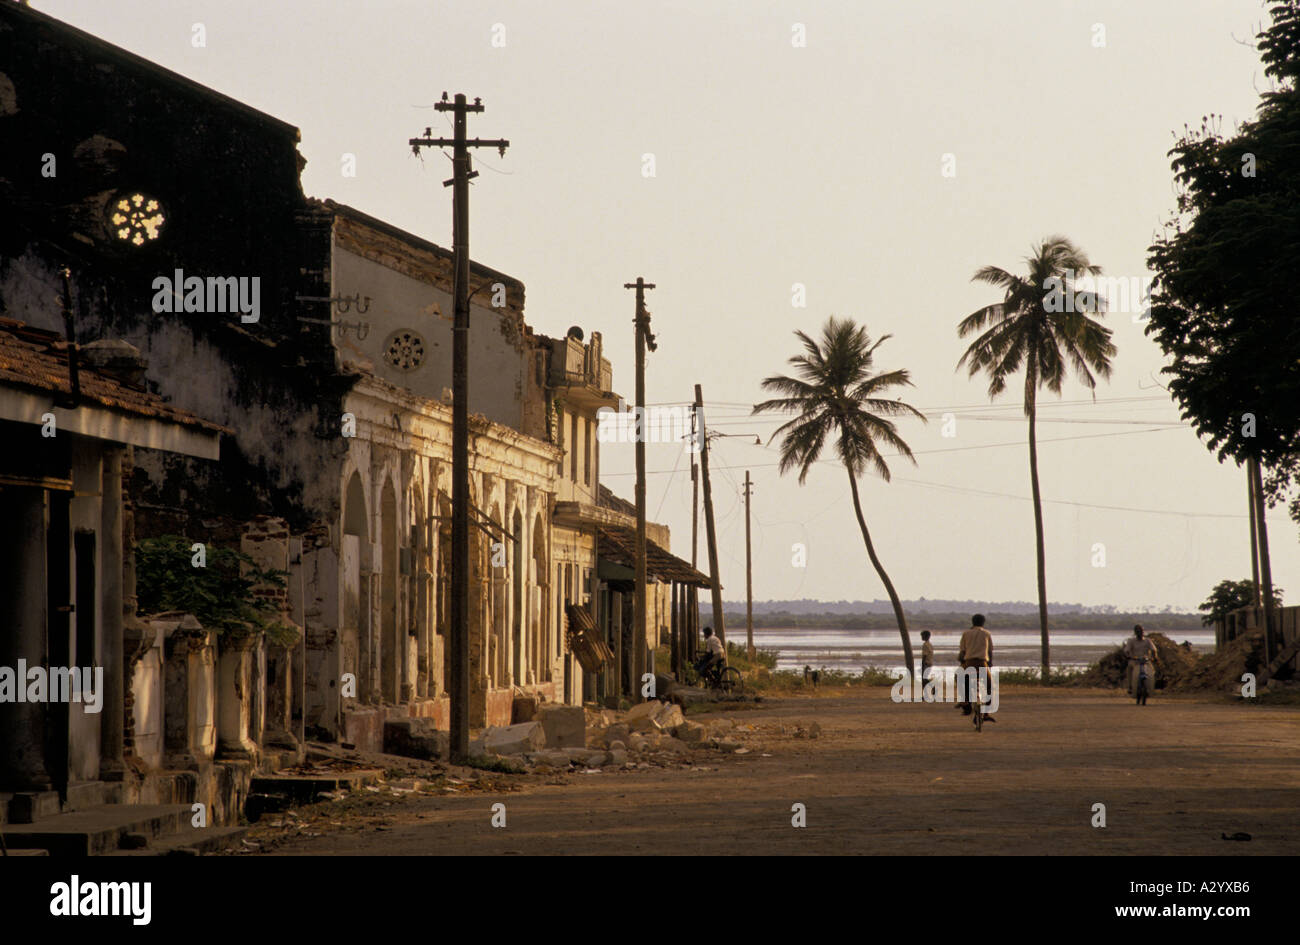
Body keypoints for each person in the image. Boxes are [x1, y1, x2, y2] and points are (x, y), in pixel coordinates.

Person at [957, 614, 993, 717]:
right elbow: (990, 652)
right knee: (989, 686)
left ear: (972, 622)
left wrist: (961, 662)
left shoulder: (966, 634)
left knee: (959, 678)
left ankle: (965, 704)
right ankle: (986, 712)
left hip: (969, 663)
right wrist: (990, 664)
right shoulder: (987, 634)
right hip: (982, 663)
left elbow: (962, 651)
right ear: (983, 623)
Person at [1122, 624, 1159, 703]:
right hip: (1134, 660)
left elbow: (1154, 650)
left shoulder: (1148, 641)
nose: (1140, 633)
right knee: (1129, 669)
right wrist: (1128, 656)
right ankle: (1130, 687)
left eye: (1142, 631)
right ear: (1135, 632)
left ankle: (1150, 688)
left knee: (1152, 672)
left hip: (1146, 660)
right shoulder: (1131, 641)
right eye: (1138, 631)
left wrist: (1155, 657)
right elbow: (1127, 650)